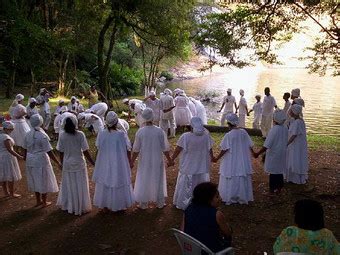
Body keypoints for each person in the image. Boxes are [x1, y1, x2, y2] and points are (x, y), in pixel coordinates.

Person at [131, 108, 173, 209]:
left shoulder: (140, 132)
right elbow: (164, 148)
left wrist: (131, 161)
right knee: (158, 178)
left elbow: (136, 149)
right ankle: (159, 202)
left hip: (145, 159)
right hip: (157, 158)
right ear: (153, 117)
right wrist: (169, 159)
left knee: (144, 177)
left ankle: (143, 203)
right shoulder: (159, 131)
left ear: (143, 118)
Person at [92, 111, 134, 212]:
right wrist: (129, 161)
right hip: (118, 162)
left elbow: (98, 147)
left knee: (105, 179)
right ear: (116, 122)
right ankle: (118, 204)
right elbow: (128, 149)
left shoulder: (101, 134)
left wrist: (97, 160)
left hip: (105, 161)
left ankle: (105, 204)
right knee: (117, 179)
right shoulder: (121, 134)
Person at [171, 117, 214, 210]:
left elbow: (178, 149)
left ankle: (185, 203)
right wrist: (212, 157)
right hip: (202, 165)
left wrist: (172, 159)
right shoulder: (206, 135)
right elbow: (210, 148)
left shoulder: (185, 136)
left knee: (186, 185)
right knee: (201, 185)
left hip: (188, 166)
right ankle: (202, 203)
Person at [56, 115, 95, 215]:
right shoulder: (80, 135)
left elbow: (61, 152)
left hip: (68, 163)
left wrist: (61, 163)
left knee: (69, 184)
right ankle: (81, 205)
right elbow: (85, 151)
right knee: (80, 184)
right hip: (79, 162)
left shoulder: (62, 135)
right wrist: (92, 162)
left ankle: (70, 205)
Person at [213, 114, 254, 205]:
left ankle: (230, 196)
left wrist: (217, 158)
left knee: (231, 175)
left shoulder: (229, 135)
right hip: (242, 159)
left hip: (231, 159)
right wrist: (253, 153)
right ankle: (242, 196)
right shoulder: (243, 132)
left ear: (228, 124)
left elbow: (224, 149)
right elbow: (250, 144)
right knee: (241, 175)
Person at [273, 199, 340, 254]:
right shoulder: (327, 235)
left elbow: (276, 249)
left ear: (298, 217)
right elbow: (337, 252)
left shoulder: (289, 231)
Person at [181, 182, 232, 252]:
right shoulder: (217, 214)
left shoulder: (188, 209)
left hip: (191, 249)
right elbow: (227, 233)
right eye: (217, 196)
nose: (220, 198)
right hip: (209, 250)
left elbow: (182, 232)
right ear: (207, 199)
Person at [23, 114, 61, 207]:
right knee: (43, 179)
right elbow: (49, 151)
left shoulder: (27, 134)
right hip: (40, 160)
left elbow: (24, 148)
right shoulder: (42, 135)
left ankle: (38, 201)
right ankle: (44, 202)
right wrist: (57, 162)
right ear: (40, 122)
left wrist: (25, 157)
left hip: (30, 159)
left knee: (35, 179)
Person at [254, 110, 288, 195]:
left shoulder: (274, 130)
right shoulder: (285, 128)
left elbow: (267, 145)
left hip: (274, 153)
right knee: (279, 171)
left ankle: (271, 191)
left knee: (273, 173)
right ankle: (279, 189)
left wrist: (258, 153)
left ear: (275, 119)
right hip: (282, 152)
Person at [286, 104, 308, 184]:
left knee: (295, 158)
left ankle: (295, 178)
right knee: (297, 158)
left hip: (296, 144)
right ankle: (296, 177)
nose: (290, 112)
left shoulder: (297, 122)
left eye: (291, 110)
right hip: (298, 144)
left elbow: (294, 135)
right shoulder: (299, 121)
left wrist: (287, 143)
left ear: (294, 112)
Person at [0, 121, 23, 198]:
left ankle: (6, 192)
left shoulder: (1, 135)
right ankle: (11, 193)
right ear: (6, 129)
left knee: (3, 174)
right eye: (11, 129)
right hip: (7, 157)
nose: (12, 131)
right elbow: (10, 150)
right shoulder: (6, 138)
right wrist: (19, 156)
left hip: (1, 156)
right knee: (10, 175)